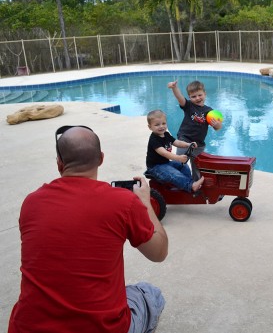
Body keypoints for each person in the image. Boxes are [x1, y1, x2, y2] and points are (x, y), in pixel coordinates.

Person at [9, 125, 169, 333]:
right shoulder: (123, 202)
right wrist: (146, 203)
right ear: (101, 159)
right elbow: (159, 252)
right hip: (102, 327)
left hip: (27, 327)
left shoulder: (32, 202)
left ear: (59, 163)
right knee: (150, 293)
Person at [167, 80, 222, 179]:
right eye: (193, 96)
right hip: (184, 140)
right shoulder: (188, 106)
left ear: (205, 94)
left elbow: (217, 128)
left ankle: (196, 185)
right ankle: (176, 180)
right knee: (180, 162)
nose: (197, 98)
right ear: (189, 97)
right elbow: (180, 98)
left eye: (199, 95)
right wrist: (174, 88)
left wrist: (217, 125)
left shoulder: (209, 111)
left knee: (197, 167)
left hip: (199, 144)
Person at [145, 109, 204, 192]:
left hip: (165, 163)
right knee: (173, 173)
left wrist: (188, 144)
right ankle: (191, 185)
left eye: (163, 123)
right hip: (155, 167)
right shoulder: (154, 139)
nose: (161, 126)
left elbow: (177, 142)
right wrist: (178, 158)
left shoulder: (166, 134)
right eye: (157, 125)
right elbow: (164, 153)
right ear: (150, 127)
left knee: (183, 166)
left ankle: (187, 184)